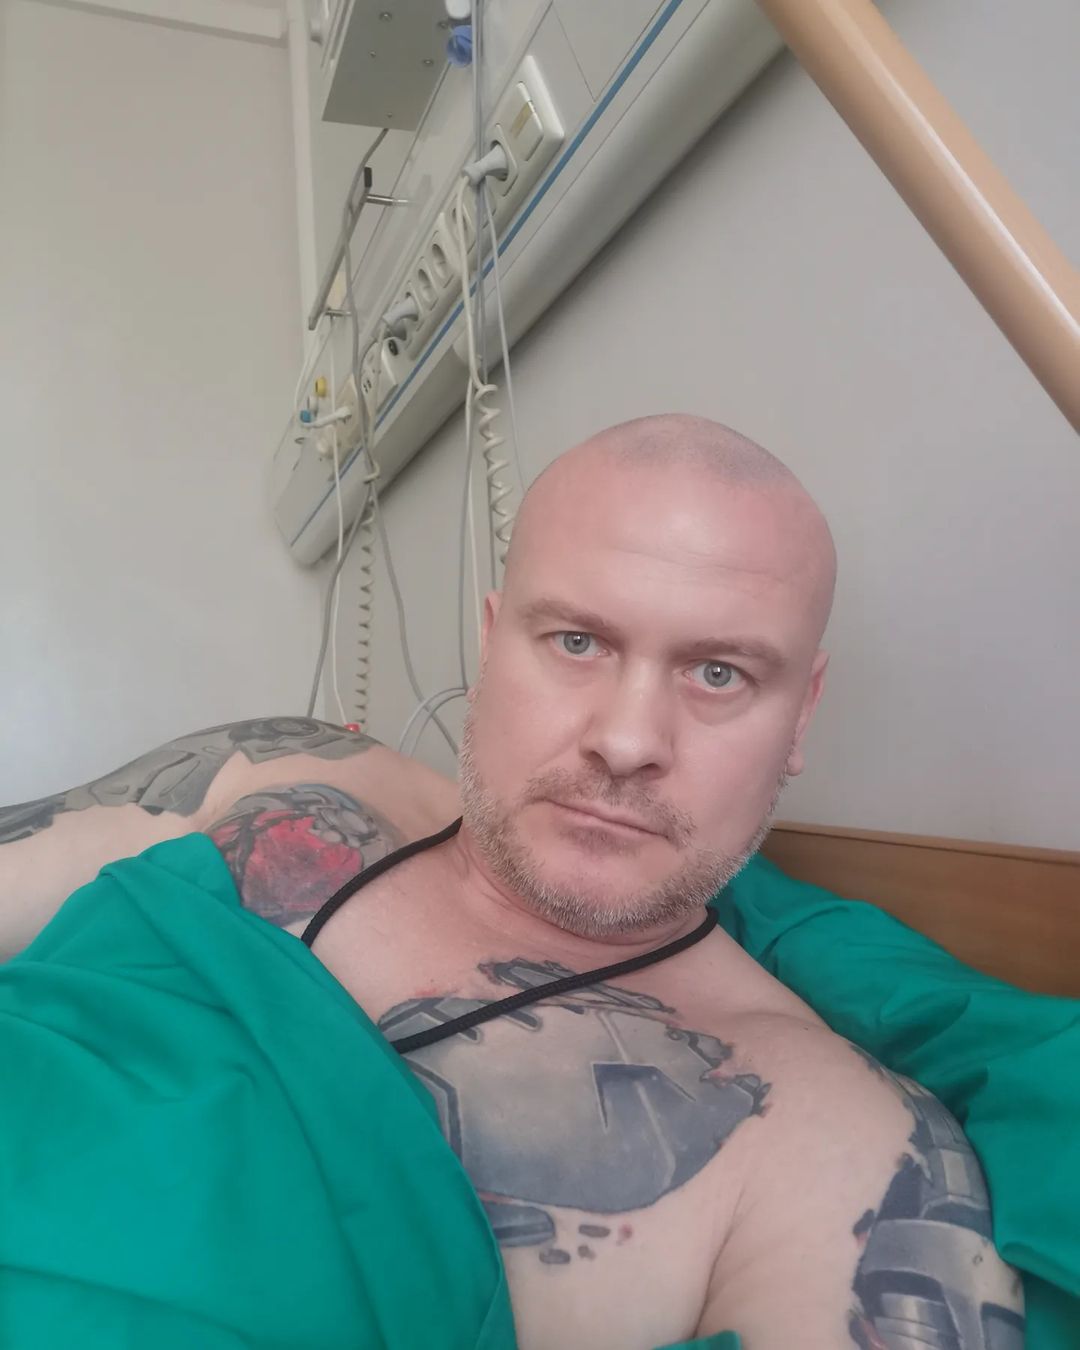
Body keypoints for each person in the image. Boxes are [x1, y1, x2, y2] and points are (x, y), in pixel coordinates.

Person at [0, 415, 1023, 1349]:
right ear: (491, 642)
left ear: (801, 715)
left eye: (719, 673)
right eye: (577, 642)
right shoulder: (280, 778)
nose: (627, 741)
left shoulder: (831, 1150)